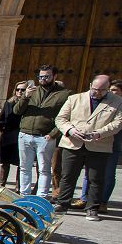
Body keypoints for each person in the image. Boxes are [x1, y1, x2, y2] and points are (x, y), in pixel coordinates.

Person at [54, 74, 122, 221]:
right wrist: (70, 130)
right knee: (68, 176)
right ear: (91, 85)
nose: (96, 92)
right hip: (73, 143)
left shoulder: (117, 102)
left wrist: (100, 133)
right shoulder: (74, 98)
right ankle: (62, 203)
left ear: (108, 89)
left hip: (99, 145)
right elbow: (60, 118)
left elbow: (118, 123)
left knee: (96, 179)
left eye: (101, 90)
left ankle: (92, 208)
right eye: (94, 89)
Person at [15, 64, 70, 199]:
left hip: (45, 137)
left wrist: (53, 134)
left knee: (44, 169)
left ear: (54, 76)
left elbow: (66, 117)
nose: (43, 79)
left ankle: (41, 197)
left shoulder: (64, 95)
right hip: (25, 134)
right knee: (24, 167)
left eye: (46, 76)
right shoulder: (32, 91)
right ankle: (24, 195)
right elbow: (17, 111)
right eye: (40, 76)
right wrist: (25, 97)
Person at [77, 79, 122, 211]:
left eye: (115, 91)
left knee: (108, 173)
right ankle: (84, 199)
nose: (111, 93)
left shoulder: (119, 106)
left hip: (112, 143)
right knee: (88, 173)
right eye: (110, 90)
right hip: (94, 143)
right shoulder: (101, 102)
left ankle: (102, 202)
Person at [0, 82, 26, 188]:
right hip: (8, 134)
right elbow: (2, 117)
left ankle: (18, 187)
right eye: (18, 89)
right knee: (5, 162)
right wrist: (2, 128)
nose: (20, 92)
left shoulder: (30, 103)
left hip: (22, 135)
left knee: (21, 163)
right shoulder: (9, 102)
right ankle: (1, 184)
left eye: (23, 90)